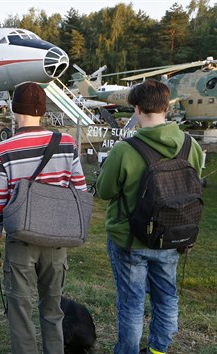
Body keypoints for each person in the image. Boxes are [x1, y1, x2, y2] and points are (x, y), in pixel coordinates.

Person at [96, 80, 204, 354]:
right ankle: (158, 350)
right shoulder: (191, 146)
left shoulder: (125, 150)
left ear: (136, 108)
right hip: (172, 236)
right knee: (166, 297)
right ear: (167, 107)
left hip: (130, 239)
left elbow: (105, 191)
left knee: (131, 303)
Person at [0, 82, 87, 354]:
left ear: (14, 108)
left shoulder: (2, 150)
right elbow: (80, 191)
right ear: (43, 109)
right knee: (53, 309)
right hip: (56, 240)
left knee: (20, 310)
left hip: (21, 241)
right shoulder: (66, 143)